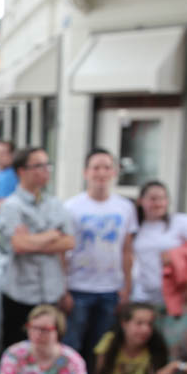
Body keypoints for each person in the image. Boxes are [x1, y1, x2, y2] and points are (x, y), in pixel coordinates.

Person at [0, 146, 75, 349]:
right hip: (20, 295)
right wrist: (51, 235)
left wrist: (33, 240)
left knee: (50, 351)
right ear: (22, 171)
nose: (46, 170)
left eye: (47, 165)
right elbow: (19, 245)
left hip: (51, 294)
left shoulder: (56, 204)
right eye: (39, 166)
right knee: (18, 351)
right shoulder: (11, 206)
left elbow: (69, 243)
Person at [62, 148, 137, 355]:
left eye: (107, 167)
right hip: (78, 288)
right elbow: (62, 251)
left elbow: (127, 249)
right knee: (72, 344)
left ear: (114, 172)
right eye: (96, 167)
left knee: (101, 347)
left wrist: (127, 287)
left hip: (111, 290)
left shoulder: (125, 207)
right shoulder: (71, 207)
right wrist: (64, 289)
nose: (101, 173)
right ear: (86, 172)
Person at [130, 180, 187, 345]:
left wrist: (175, 255)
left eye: (162, 198)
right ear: (141, 201)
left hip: (178, 296)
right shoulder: (136, 227)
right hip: (146, 298)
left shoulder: (182, 222)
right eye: (152, 198)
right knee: (150, 345)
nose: (158, 203)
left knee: (175, 343)